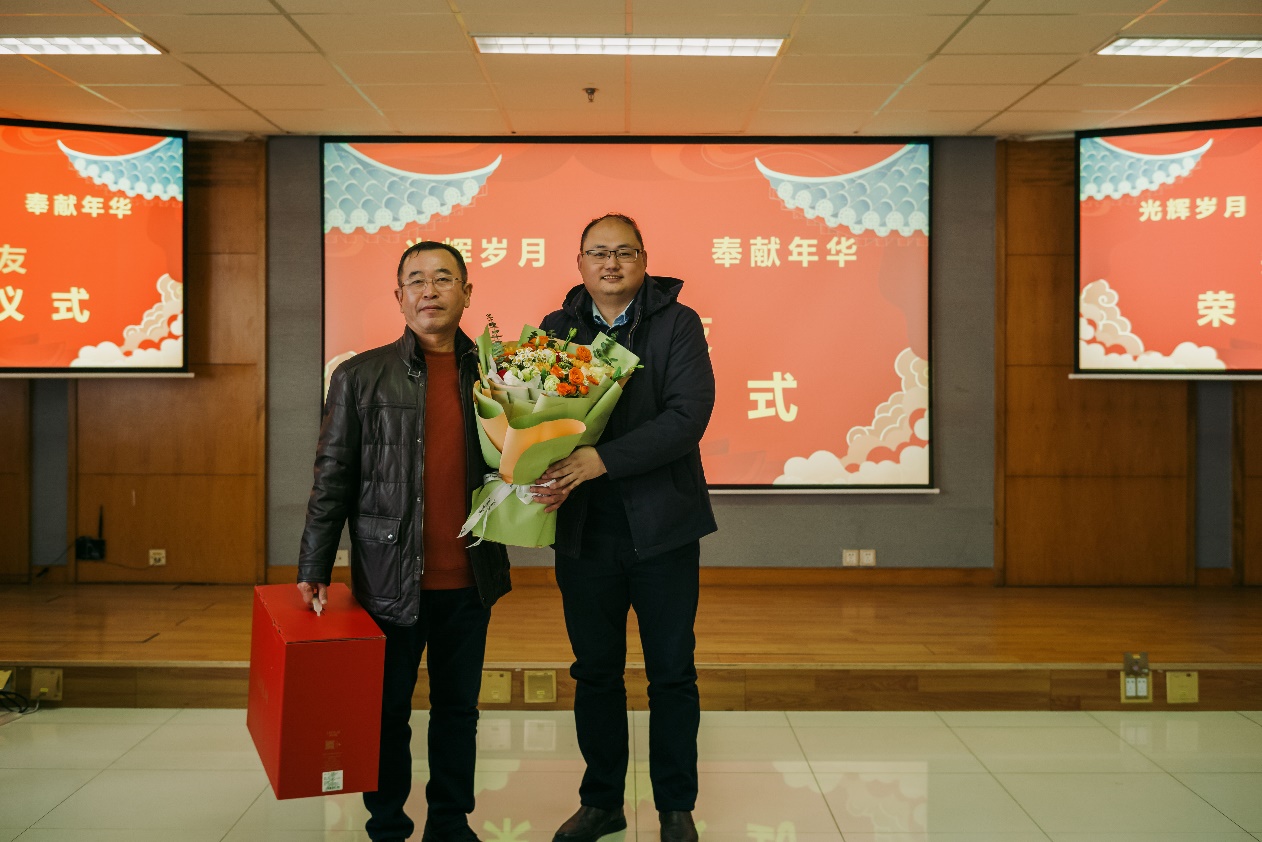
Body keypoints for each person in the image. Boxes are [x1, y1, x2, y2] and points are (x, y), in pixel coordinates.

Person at [297, 241, 511, 842]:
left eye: (444, 278)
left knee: (458, 712)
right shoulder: (358, 376)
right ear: (399, 296)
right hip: (387, 579)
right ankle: (386, 823)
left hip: (470, 576)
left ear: (467, 293)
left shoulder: (500, 376)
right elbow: (332, 477)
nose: (430, 290)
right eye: (416, 280)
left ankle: (450, 822)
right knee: (385, 713)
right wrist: (314, 563)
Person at [533, 213, 716, 842]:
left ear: (644, 260)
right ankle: (602, 801)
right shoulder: (557, 329)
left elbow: (688, 416)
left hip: (664, 527)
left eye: (624, 252)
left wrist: (601, 460)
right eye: (598, 253)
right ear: (580, 263)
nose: (610, 264)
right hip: (585, 531)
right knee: (595, 672)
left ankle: (675, 808)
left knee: (672, 673)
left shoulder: (677, 323)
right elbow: (535, 419)